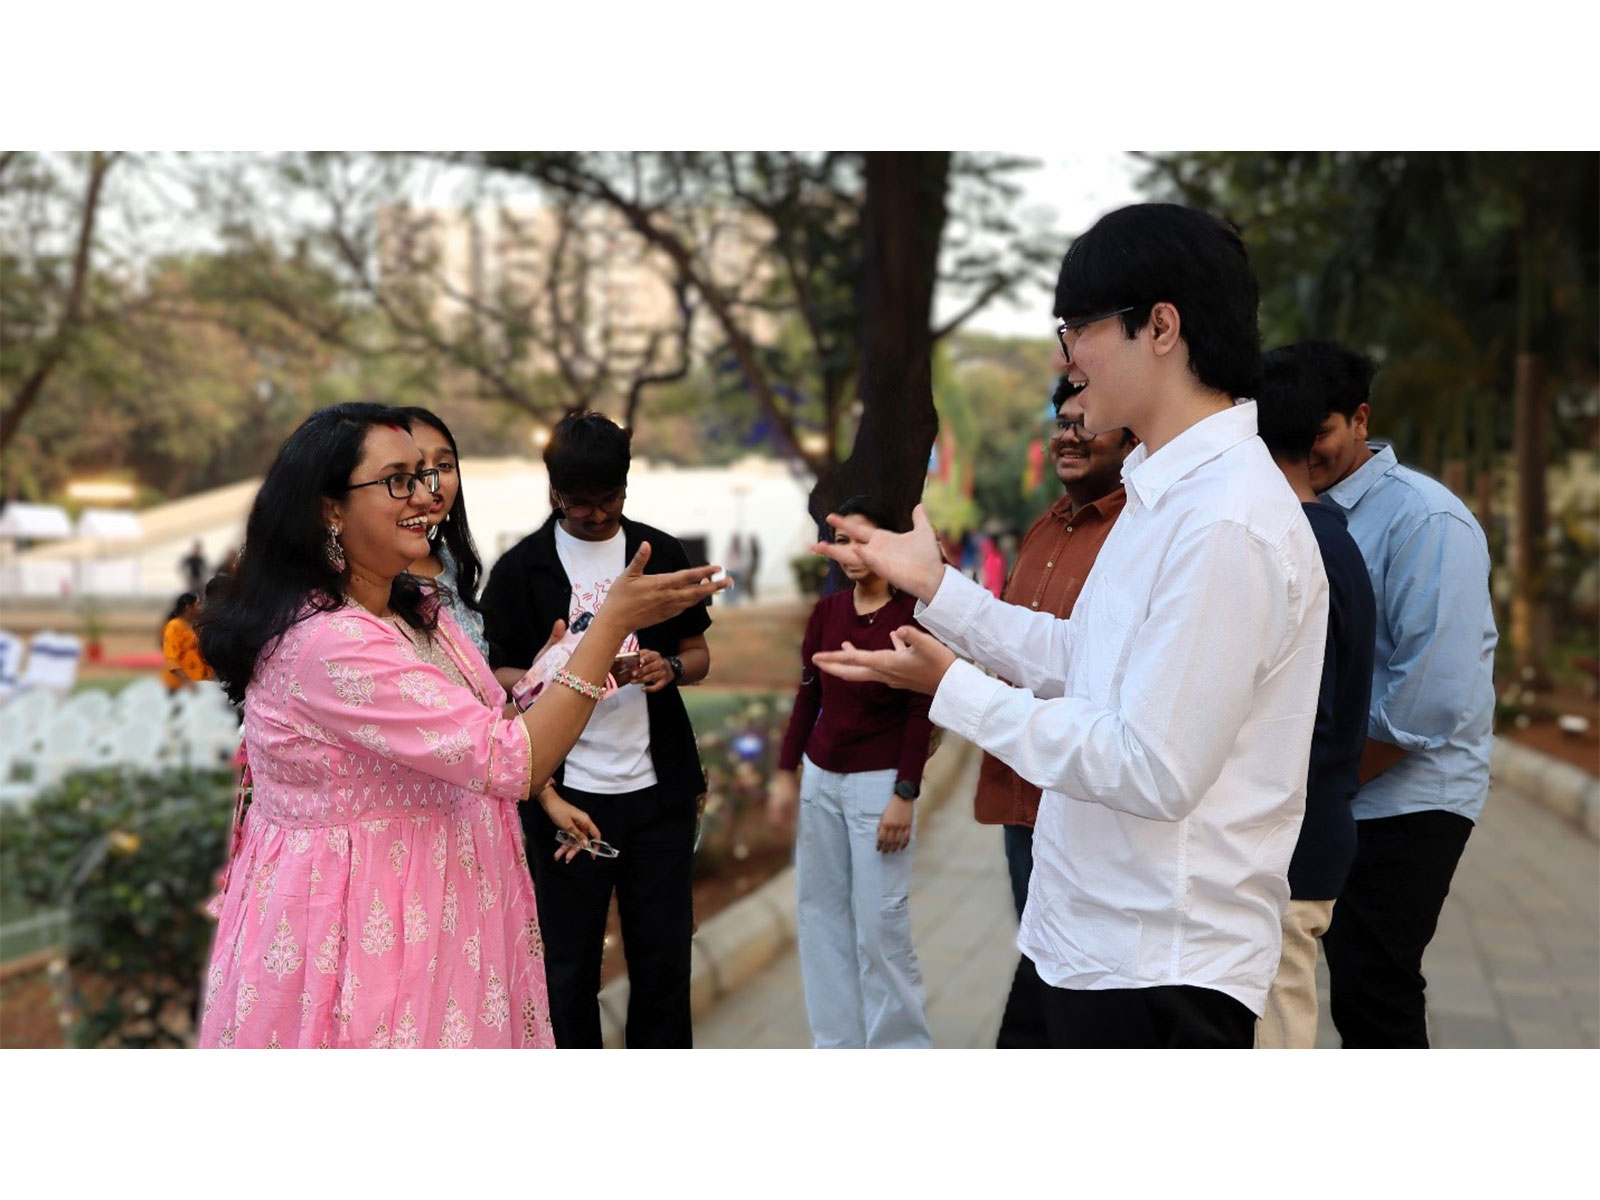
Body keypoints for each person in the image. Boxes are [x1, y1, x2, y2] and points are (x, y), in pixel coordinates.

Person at [813, 203, 1329, 1048]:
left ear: (1161, 326)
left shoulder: (1226, 521)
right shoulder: (1161, 492)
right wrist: (937, 586)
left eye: (1078, 327)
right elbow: (1085, 660)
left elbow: (1153, 765)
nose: (1066, 357)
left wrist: (954, 692)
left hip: (1159, 968)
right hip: (1083, 938)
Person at [193, 402, 725, 1049]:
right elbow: (509, 760)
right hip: (367, 928)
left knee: (660, 961)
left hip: (448, 905)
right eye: (399, 480)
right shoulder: (326, 641)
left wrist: (552, 668)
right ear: (330, 507)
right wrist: (607, 625)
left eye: (430, 474)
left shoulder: (413, 609)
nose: (427, 494)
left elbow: (480, 717)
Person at [479, 411, 715, 1049]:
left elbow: (697, 654)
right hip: (565, 796)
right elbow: (498, 672)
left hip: (657, 793)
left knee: (664, 962)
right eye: (580, 503)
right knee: (567, 967)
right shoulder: (520, 569)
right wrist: (552, 672)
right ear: (554, 491)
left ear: (627, 485)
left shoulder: (660, 554)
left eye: (609, 500)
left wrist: (668, 666)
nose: (596, 515)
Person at [1300, 341, 1498, 1049]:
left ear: (1359, 419)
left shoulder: (1425, 520)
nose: (1305, 450)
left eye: (1318, 431)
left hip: (1409, 799)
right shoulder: (1297, 507)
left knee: (1374, 990)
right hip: (1337, 789)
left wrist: (1322, 786)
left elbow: (1428, 704)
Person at [978, 376, 1137, 1048]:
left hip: (1085, 797)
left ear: (1130, 437)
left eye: (1085, 422)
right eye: (1061, 422)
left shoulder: (1139, 532)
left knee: (1086, 985)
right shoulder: (1043, 528)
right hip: (1020, 787)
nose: (1068, 435)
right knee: (1041, 962)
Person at [767, 496, 936, 1049]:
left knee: (881, 929)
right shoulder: (827, 612)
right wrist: (786, 771)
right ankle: (836, 1046)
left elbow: (921, 710)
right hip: (821, 782)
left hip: (877, 787)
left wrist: (904, 794)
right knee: (819, 921)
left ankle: (900, 1049)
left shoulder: (911, 616)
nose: (853, 553)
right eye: (844, 541)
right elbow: (807, 694)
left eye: (864, 540)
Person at [1252, 343, 1378, 1049]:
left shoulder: (1301, 547)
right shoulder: (1324, 537)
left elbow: (1303, 723)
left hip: (1286, 855)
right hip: (1298, 844)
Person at [400, 406, 489, 658]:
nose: (432, 480)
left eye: (444, 464)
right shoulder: (377, 580)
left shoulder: (450, 561)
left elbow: (478, 676)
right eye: (416, 467)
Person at [160, 591, 213, 691]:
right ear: (189, 608)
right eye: (198, 604)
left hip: (198, 684)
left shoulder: (192, 625)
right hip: (181, 687)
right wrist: (188, 682)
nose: (200, 608)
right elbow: (172, 661)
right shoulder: (174, 627)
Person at [724, 533, 749, 605]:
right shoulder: (730, 548)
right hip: (731, 569)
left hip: (737, 570)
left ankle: (734, 601)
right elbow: (727, 559)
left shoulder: (741, 548)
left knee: (736, 587)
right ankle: (728, 601)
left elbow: (742, 560)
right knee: (729, 587)